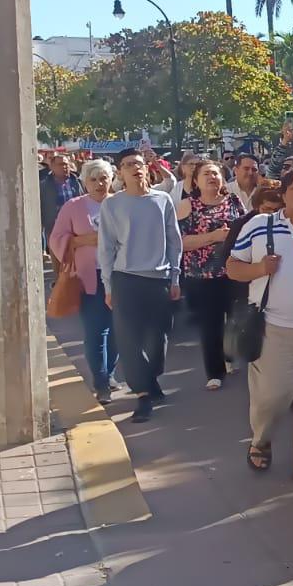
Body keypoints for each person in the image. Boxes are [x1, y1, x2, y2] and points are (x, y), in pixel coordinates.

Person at [228, 165, 293, 484]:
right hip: (273, 325)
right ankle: (261, 439)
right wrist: (259, 269)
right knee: (275, 393)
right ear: (283, 194)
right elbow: (232, 267)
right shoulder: (260, 225)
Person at [97, 148, 183, 424]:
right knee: (129, 340)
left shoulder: (162, 200)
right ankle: (144, 395)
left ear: (147, 168)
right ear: (120, 173)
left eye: (138, 163)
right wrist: (108, 286)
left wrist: (175, 277)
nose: (135, 168)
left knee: (159, 340)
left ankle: (151, 377)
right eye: (127, 165)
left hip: (158, 278)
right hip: (126, 279)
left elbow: (174, 240)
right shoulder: (112, 205)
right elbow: (106, 248)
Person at [49, 158, 119, 403]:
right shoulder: (73, 206)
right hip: (90, 278)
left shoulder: (120, 203)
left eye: (104, 178)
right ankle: (101, 384)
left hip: (120, 277)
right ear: (84, 181)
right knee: (95, 330)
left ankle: (109, 373)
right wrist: (81, 240)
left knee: (117, 330)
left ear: (112, 180)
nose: (99, 184)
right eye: (93, 179)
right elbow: (56, 238)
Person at [178, 160, 245, 391]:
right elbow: (180, 243)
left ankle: (229, 355)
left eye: (216, 173)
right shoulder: (188, 205)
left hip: (233, 270)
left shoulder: (234, 201)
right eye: (206, 174)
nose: (212, 177)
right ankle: (214, 372)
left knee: (235, 319)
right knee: (210, 323)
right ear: (195, 180)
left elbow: (246, 229)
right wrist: (214, 237)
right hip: (201, 275)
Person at [39, 152, 84, 248]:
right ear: (52, 167)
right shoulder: (44, 186)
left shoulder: (78, 182)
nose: (65, 167)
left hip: (76, 226)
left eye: (66, 164)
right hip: (54, 226)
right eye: (61, 164)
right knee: (58, 255)